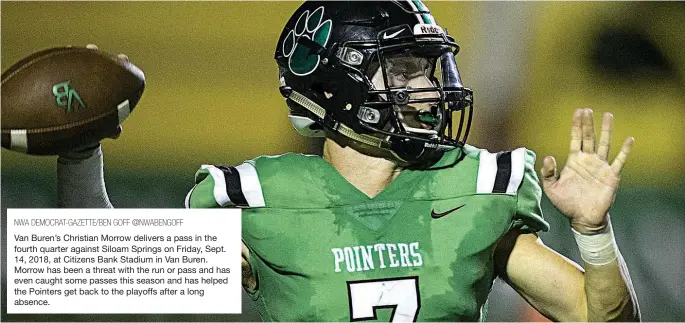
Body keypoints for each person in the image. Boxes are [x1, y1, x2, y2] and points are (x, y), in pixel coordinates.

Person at [58, 1, 640, 321]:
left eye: (428, 68)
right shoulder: (264, 200)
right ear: (340, 84)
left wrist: (594, 233)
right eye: (405, 69)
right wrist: (80, 151)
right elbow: (91, 276)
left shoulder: (474, 186)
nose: (429, 89)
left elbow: (603, 318)